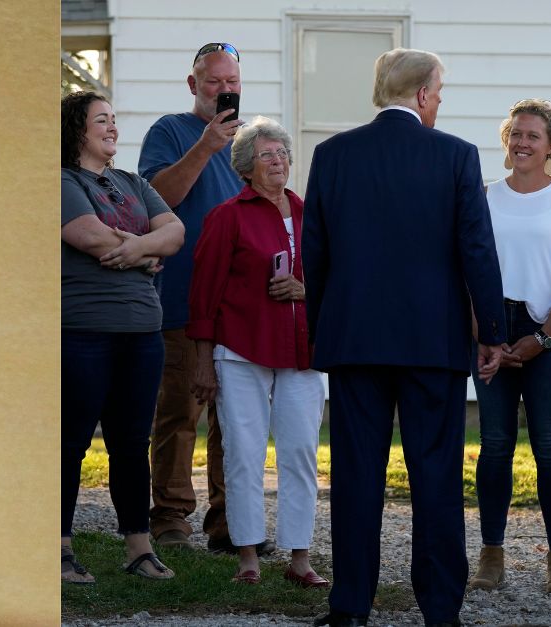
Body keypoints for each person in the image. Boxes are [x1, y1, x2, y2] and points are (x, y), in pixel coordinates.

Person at [301, 48, 507, 627]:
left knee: (355, 475)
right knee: (435, 475)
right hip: (431, 341)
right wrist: (491, 331)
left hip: (354, 340)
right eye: (439, 89)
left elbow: (315, 253)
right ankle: (440, 610)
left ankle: (349, 608)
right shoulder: (456, 157)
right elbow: (477, 251)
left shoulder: (332, 155)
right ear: (421, 93)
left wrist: (325, 331)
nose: (440, 99)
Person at [186, 116, 327, 587]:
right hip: (240, 350)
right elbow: (203, 295)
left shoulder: (312, 215)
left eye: (283, 154)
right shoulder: (227, 215)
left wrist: (305, 290)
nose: (278, 161)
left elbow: (332, 284)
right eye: (267, 155)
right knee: (244, 454)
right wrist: (204, 360)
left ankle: (299, 558)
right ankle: (247, 556)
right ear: (247, 167)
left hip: (303, 353)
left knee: (301, 453)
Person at [467, 99, 551, 595]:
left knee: (548, 446)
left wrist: (540, 340)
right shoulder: (482, 197)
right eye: (515, 133)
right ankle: (491, 554)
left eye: (532, 136)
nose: (521, 143)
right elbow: (468, 270)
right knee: (494, 445)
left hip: (549, 333)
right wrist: (485, 336)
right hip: (493, 332)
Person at [61, 91, 185, 583]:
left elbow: (175, 232)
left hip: (143, 333)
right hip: (83, 332)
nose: (112, 128)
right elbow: (88, 235)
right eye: (101, 121)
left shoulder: (132, 182)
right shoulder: (62, 181)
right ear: (76, 130)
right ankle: (61, 550)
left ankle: (139, 549)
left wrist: (136, 249)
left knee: (132, 443)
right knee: (70, 444)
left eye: (114, 120)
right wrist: (146, 250)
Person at [138, 42, 253, 554]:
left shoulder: (250, 140)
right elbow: (156, 198)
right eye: (213, 82)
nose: (224, 90)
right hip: (182, 298)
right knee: (180, 413)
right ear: (193, 86)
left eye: (231, 82)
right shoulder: (170, 131)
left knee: (235, 421)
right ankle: (170, 519)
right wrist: (206, 146)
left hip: (240, 306)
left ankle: (229, 525)